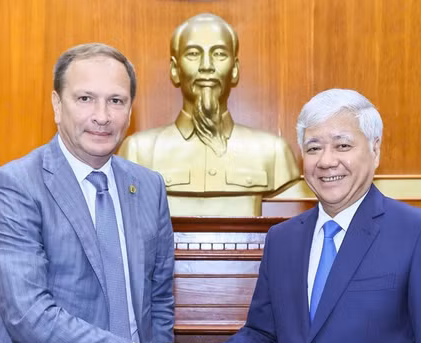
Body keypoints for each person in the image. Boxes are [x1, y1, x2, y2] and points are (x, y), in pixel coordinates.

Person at [146, 89, 421, 343]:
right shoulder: (283, 240)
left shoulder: (420, 234)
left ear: (375, 150)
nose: (326, 161)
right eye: (314, 148)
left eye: (343, 145)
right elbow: (263, 338)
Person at [0, 43, 190, 343]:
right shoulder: (15, 185)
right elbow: (30, 315)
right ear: (57, 105)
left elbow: (157, 297)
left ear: (130, 110)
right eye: (85, 98)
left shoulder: (148, 186)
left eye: (116, 101)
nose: (102, 116)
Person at [118, 13, 300, 216]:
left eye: (219, 54)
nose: (206, 66)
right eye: (193, 54)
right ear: (175, 69)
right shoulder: (138, 152)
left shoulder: (273, 152)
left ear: (235, 70)